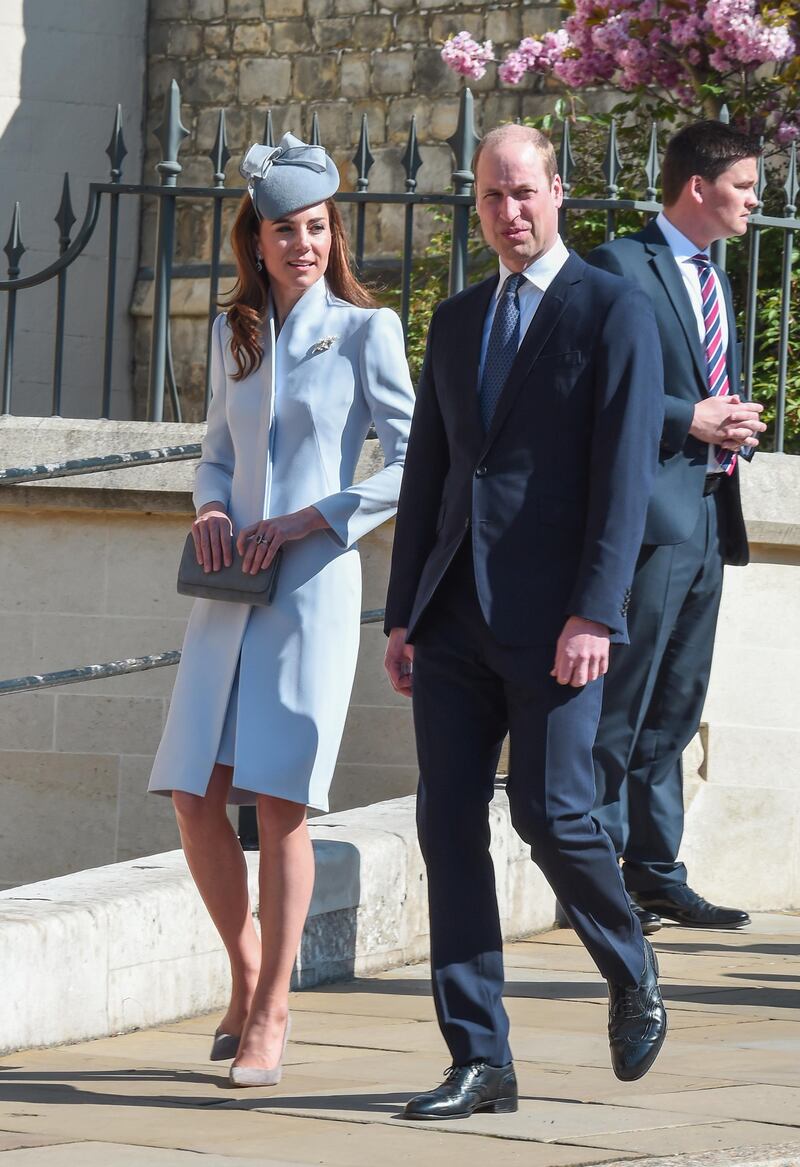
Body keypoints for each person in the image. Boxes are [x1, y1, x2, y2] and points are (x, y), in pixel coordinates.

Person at [383, 124, 667, 1122]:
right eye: (493, 197)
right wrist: (401, 612)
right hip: (453, 613)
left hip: (556, 621)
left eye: (524, 193)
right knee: (445, 824)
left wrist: (596, 610)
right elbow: (430, 470)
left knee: (552, 815)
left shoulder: (611, 312)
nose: (510, 212)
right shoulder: (457, 320)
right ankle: (480, 1059)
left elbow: (622, 478)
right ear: (478, 203)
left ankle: (627, 966)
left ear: (557, 191)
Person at [149, 134, 415, 1087]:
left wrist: (319, 516)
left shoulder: (367, 330)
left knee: (280, 802)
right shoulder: (234, 334)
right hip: (228, 591)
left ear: (332, 233)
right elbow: (216, 452)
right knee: (192, 793)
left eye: (317, 227)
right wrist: (213, 505)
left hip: (309, 589)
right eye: (284, 230)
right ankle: (246, 966)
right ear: (254, 241)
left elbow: (413, 460)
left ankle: (273, 1011)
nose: (303, 243)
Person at [588, 122, 765, 935]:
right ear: (698, 185)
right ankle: (595, 875)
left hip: (708, 512)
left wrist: (730, 424)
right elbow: (590, 388)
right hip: (650, 520)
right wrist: (686, 417)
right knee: (622, 705)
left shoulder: (716, 281)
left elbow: (705, 388)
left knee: (676, 705)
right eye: (744, 187)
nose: (756, 203)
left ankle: (657, 873)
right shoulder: (620, 265)